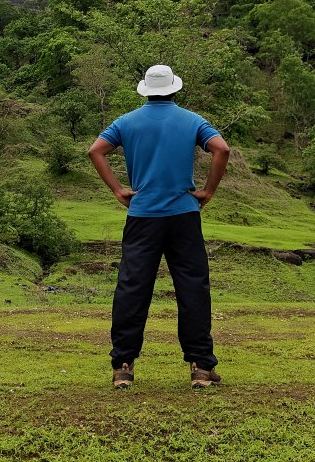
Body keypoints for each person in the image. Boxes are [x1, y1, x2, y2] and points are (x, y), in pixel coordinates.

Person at [87, 64, 230, 389]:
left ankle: (123, 366)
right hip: (183, 215)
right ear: (174, 89)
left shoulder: (126, 122)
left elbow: (96, 150)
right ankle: (201, 368)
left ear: (146, 90)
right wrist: (207, 192)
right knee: (193, 287)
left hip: (142, 216)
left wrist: (118, 189)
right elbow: (221, 149)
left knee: (132, 287)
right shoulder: (193, 121)